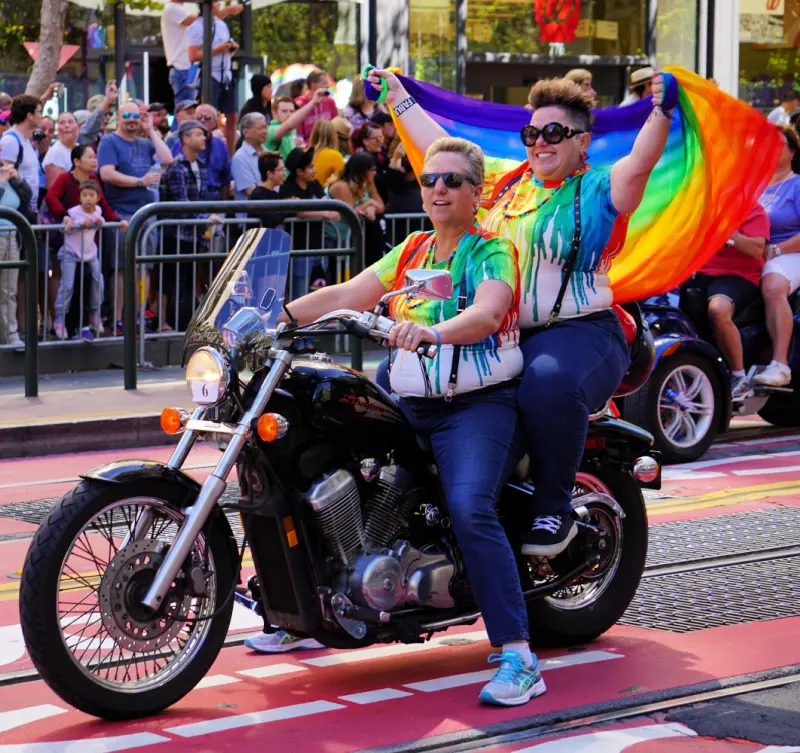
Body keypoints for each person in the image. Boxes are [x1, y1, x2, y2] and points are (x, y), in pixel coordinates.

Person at [276, 136, 543, 707]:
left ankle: (518, 653)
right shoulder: (413, 248)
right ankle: (302, 608)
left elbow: (489, 311)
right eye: (429, 180)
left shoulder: (491, 249)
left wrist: (433, 332)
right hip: (410, 398)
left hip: (476, 404)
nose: (438, 188)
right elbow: (350, 291)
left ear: (478, 192)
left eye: (451, 180)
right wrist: (271, 318)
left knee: (471, 507)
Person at [367, 68, 671, 557]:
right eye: (532, 133)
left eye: (554, 132)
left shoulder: (597, 190)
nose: (540, 142)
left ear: (582, 141)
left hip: (578, 332)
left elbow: (639, 164)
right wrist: (398, 96)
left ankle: (554, 507)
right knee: (387, 379)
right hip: (500, 332)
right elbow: (439, 147)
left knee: (547, 382)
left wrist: (662, 111)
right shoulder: (507, 182)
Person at [681, 203, 770, 400]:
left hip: (737, 276)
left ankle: (740, 378)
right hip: (697, 273)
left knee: (718, 310)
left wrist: (726, 232)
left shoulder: (752, 209)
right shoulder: (698, 205)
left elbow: (756, 250)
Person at [98, 101, 173, 329]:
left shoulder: (145, 142)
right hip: (121, 213)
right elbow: (107, 173)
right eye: (126, 114)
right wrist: (139, 182)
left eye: (135, 115)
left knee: (145, 268)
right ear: (118, 118)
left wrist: (150, 130)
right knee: (122, 269)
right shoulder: (109, 141)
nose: (132, 118)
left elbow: (167, 159)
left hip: (146, 213)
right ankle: (119, 319)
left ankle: (138, 318)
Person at [159, 120, 221, 330]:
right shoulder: (177, 167)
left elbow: (200, 200)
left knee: (189, 280)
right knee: (172, 281)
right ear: (185, 138)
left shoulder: (202, 166)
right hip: (177, 234)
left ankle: (185, 322)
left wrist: (206, 219)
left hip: (195, 234)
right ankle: (167, 322)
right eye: (198, 134)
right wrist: (204, 219)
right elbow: (180, 203)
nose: (204, 138)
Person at [754, 125, 800, 387]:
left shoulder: (797, 185)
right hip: (755, 254)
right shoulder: (755, 186)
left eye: (778, 144)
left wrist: (778, 250)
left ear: (792, 152)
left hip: (790, 252)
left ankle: (780, 365)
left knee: (773, 286)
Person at [280, 147, 339, 295]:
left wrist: (324, 211)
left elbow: (328, 204)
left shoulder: (314, 185)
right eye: (310, 167)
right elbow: (300, 211)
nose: (314, 171)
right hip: (299, 251)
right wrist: (324, 213)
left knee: (319, 290)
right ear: (299, 171)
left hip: (319, 247)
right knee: (299, 293)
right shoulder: (287, 188)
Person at [187, 0, 244, 155]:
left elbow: (224, 49)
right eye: (216, 2)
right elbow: (193, 55)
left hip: (226, 74)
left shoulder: (221, 24)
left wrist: (230, 49)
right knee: (207, 116)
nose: (219, 4)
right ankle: (205, 150)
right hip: (210, 74)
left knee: (232, 116)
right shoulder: (197, 26)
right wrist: (217, 50)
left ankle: (229, 155)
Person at [54, 180, 105, 340]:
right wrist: (79, 223)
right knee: (67, 286)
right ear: (79, 198)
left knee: (98, 281)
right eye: (84, 195)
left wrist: (99, 222)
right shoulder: (73, 212)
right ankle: (60, 319)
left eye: (91, 195)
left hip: (90, 253)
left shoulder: (98, 210)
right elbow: (67, 225)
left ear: (97, 198)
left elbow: (101, 220)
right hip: (70, 252)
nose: (88, 199)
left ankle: (95, 314)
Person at [324, 151, 384, 252]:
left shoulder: (366, 183)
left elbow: (381, 207)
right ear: (362, 171)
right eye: (372, 170)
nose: (375, 173)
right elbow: (350, 212)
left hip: (351, 237)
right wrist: (368, 203)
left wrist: (371, 208)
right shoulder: (341, 186)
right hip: (336, 238)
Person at [0, 94, 42, 220]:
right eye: (39, 112)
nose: (41, 116)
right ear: (30, 116)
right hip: (15, 212)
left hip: (28, 209)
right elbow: (4, 177)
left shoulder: (27, 141)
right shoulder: (10, 141)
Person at [181, 103, 232, 200]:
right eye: (199, 117)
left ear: (215, 123)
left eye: (207, 118)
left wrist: (224, 207)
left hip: (214, 195)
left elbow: (226, 179)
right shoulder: (182, 142)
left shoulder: (220, 145)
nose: (202, 120)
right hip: (190, 196)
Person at [265, 90, 329, 160]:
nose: (289, 115)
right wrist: (313, 102)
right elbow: (289, 125)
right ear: (274, 113)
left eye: (291, 111)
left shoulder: (293, 132)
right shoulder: (271, 130)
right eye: (284, 111)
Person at [0, 163, 24, 348]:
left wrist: (18, 180)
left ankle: (11, 335)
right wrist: (1, 182)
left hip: (12, 235)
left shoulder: (5, 173)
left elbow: (27, 197)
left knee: (9, 291)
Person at [161, 0, 199, 103]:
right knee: (185, 110)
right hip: (183, 69)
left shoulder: (177, 9)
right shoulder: (173, 8)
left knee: (187, 109)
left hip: (185, 69)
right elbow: (196, 20)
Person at [294, 69, 339, 143]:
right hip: (308, 148)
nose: (328, 86)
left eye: (328, 83)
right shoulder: (300, 103)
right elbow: (299, 136)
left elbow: (336, 126)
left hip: (329, 144)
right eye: (324, 83)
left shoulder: (330, 101)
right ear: (313, 85)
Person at [231, 112, 267, 200]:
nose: (265, 131)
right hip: (251, 212)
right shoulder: (240, 157)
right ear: (245, 132)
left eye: (265, 127)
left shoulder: (267, 151)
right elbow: (252, 192)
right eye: (260, 128)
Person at [43, 112, 80, 189]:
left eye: (70, 122)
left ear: (78, 127)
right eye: (62, 123)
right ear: (58, 130)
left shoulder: (80, 148)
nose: (66, 126)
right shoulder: (55, 153)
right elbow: (54, 192)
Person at [249, 151, 285, 229]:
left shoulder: (275, 194)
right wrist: (288, 207)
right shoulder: (258, 194)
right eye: (281, 170)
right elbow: (271, 219)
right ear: (269, 174)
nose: (284, 173)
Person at [308, 119, 345, 187]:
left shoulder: (304, 152)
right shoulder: (335, 155)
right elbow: (342, 180)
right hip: (324, 195)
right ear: (333, 136)